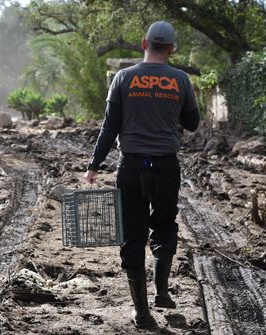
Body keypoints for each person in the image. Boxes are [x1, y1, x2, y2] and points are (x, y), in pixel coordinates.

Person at [84, 20, 200, 328]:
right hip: (166, 164)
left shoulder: (123, 78)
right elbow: (193, 123)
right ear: (172, 49)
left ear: (143, 43)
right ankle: (162, 290)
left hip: (132, 165)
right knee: (164, 224)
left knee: (133, 235)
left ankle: (142, 312)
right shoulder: (181, 80)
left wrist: (94, 166)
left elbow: (110, 127)